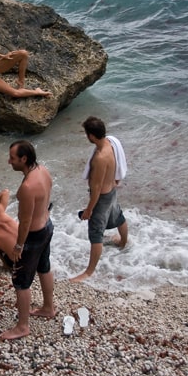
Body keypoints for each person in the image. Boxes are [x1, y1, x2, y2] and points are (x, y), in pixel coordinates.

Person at [1, 140, 55, 341]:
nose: (9, 161)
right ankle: (48, 307)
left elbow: (24, 222)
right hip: (47, 226)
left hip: (33, 236)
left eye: (12, 158)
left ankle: (22, 326)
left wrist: (18, 246)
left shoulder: (27, 186)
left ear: (24, 159)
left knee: (21, 282)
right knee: (44, 267)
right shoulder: (43, 170)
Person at [70, 116, 128, 283]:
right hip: (112, 191)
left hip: (102, 197)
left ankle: (88, 272)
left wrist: (89, 210)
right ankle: (123, 242)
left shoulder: (100, 157)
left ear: (92, 136)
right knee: (118, 216)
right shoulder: (111, 143)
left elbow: (95, 188)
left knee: (96, 234)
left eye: (86, 134)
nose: (86, 136)